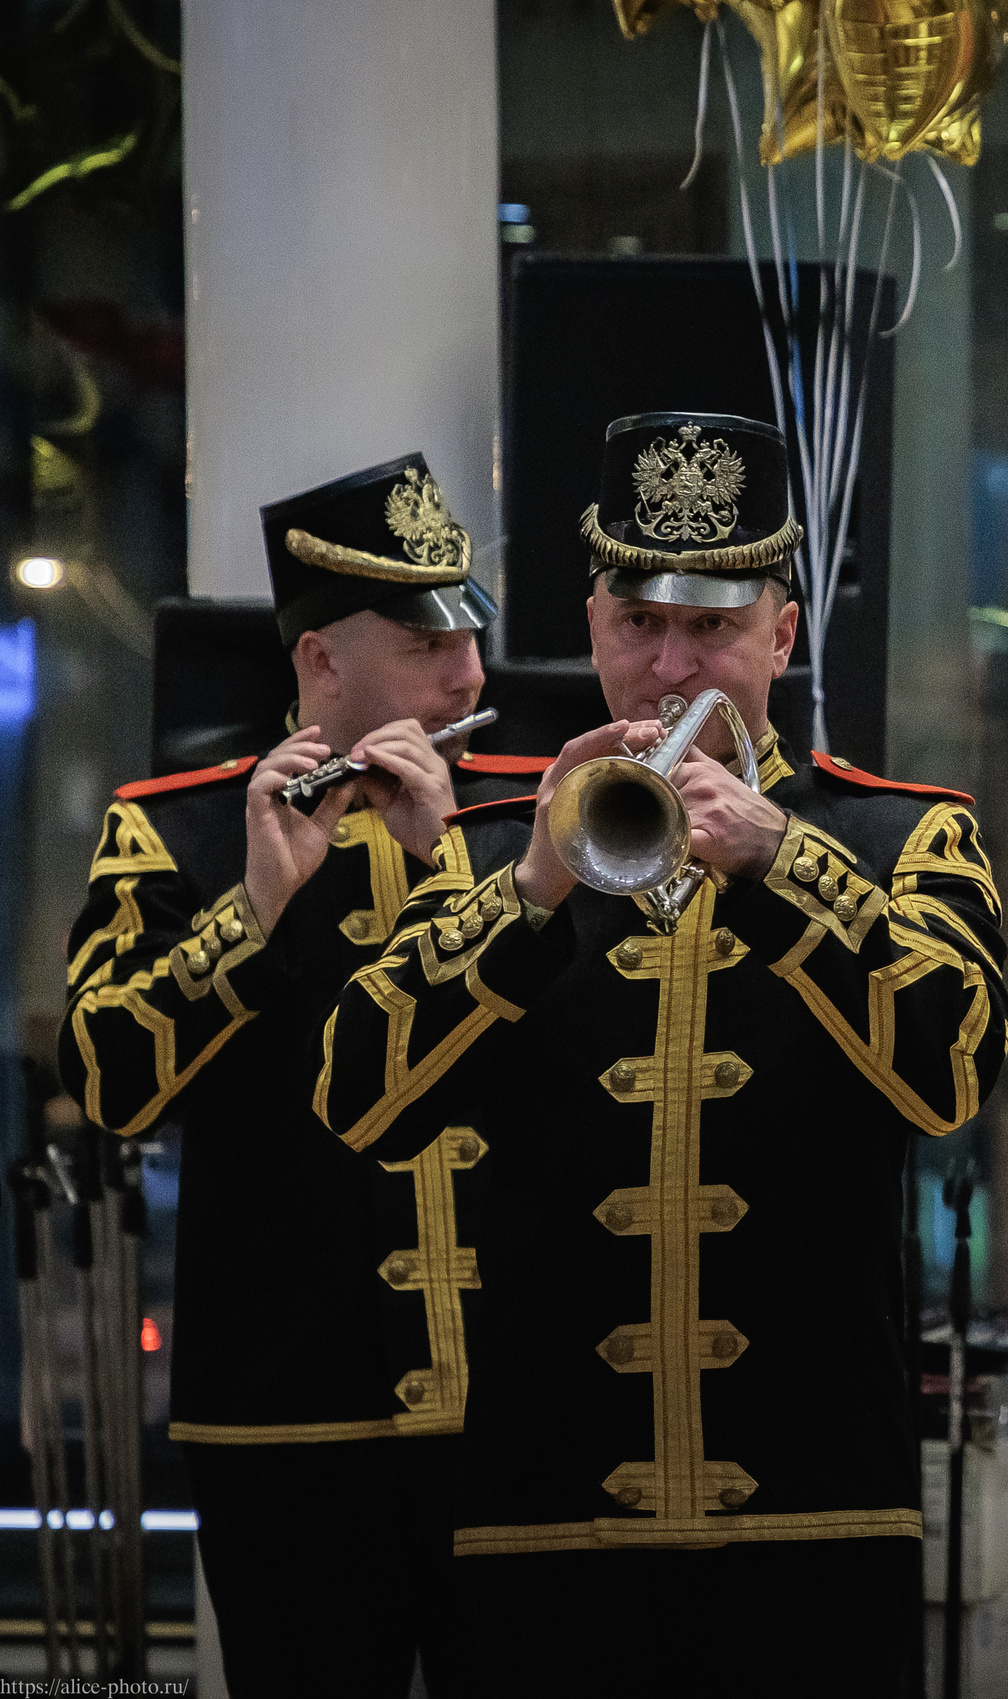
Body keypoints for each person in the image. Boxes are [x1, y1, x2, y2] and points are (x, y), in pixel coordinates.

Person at [316, 411, 1008, 1697]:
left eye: (713, 629)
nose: (671, 668)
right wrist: (524, 892)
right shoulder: (485, 853)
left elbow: (953, 1070)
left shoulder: (902, 834)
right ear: (590, 629)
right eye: (640, 626)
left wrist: (783, 864)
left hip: (816, 1506)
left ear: (783, 637)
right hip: (547, 1513)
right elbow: (359, 1100)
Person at [59, 455, 540, 1695]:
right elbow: (112, 1083)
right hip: (287, 1406)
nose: (470, 674)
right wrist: (253, 910)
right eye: (426, 644)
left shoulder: (533, 818)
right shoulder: (175, 827)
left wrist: (459, 867)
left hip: (520, 1399)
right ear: (321, 659)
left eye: (470, 635)